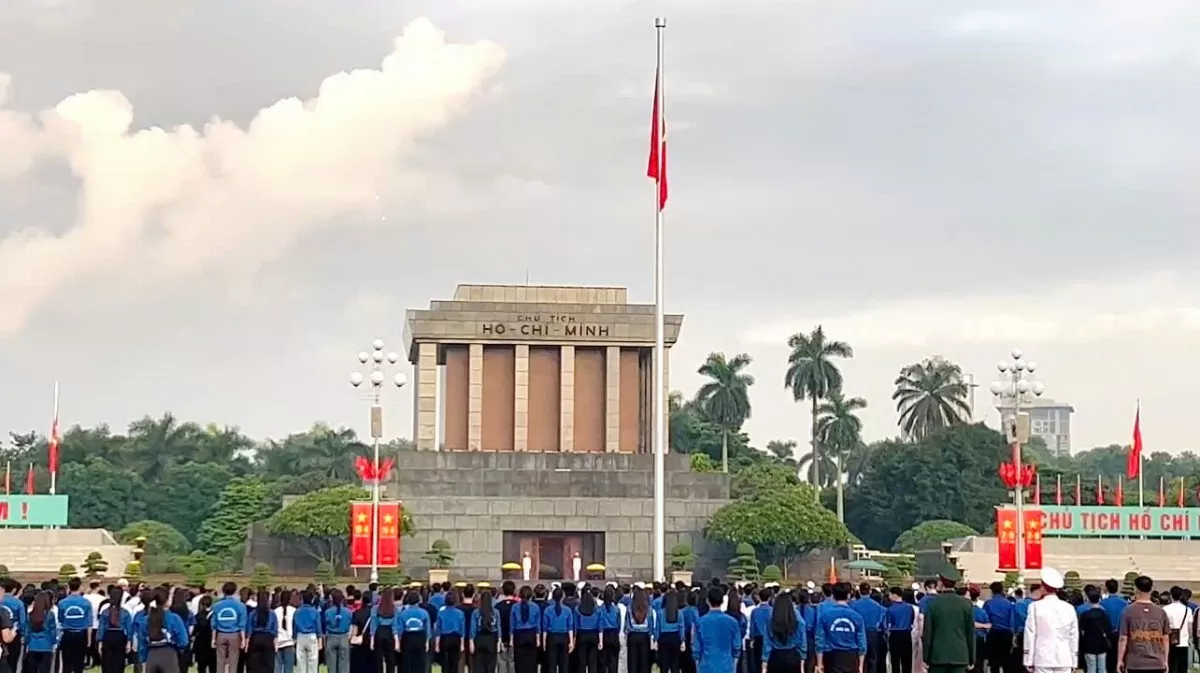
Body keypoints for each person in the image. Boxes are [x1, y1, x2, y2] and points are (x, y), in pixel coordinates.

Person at [1023, 568, 1079, 673]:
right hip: (1064, 658)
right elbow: (1073, 636)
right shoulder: (1069, 608)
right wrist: (1074, 660)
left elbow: (1030, 634)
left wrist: (1028, 659)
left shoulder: (1035, 607)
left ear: (1043, 587)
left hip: (1042, 657)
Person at [922, 567, 975, 673]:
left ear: (941, 583)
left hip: (937, 656)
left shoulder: (932, 604)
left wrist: (925, 657)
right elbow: (970, 633)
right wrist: (971, 658)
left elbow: (927, 632)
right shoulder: (966, 604)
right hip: (960, 656)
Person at [1117, 576, 1169, 673]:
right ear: (1151, 588)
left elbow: (1123, 638)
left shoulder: (1127, 611)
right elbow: (1165, 638)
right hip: (1157, 662)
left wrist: (1120, 660)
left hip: (1135, 663)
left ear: (1136, 589)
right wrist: (1165, 660)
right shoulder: (1161, 612)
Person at [815, 582, 866, 673]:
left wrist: (819, 663)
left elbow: (820, 640)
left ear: (833, 595)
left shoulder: (825, 615)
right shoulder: (857, 616)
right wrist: (860, 665)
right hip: (851, 656)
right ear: (849, 595)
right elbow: (862, 642)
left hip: (831, 656)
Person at [140, 589, 191, 673]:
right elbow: (183, 641)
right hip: (169, 654)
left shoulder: (145, 620)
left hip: (151, 654)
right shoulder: (174, 618)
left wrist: (143, 658)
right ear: (167, 600)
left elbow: (142, 642)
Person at [693, 587, 741, 673]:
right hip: (726, 666)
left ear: (707, 601)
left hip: (706, 666)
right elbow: (736, 648)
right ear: (722, 601)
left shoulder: (700, 622)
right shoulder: (732, 622)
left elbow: (697, 649)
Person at [761, 591, 805, 673]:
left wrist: (764, 665)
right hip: (793, 656)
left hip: (775, 657)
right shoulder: (797, 619)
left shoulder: (771, 620)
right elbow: (802, 643)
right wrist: (802, 664)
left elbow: (767, 644)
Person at [59, 577, 95, 673]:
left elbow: (60, 619)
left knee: (66, 663)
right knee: (79, 663)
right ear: (80, 587)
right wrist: (89, 639)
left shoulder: (62, 603)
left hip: (67, 634)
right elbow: (89, 623)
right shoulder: (86, 603)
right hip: (81, 634)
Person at [212, 583, 248, 673]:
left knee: (220, 661)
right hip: (234, 634)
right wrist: (243, 639)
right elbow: (242, 624)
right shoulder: (240, 605)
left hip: (220, 634)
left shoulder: (217, 605)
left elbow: (214, 624)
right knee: (233, 661)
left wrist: (213, 639)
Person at [99, 589, 135, 673]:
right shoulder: (125, 612)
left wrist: (100, 641)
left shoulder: (105, 612)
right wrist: (129, 641)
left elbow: (101, 627)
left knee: (107, 662)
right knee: (119, 661)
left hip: (108, 635)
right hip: (119, 636)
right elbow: (129, 628)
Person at [397, 591, 433, 673]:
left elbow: (400, 630)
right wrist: (427, 642)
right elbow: (427, 628)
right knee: (420, 662)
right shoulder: (424, 613)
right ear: (418, 600)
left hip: (407, 637)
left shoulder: (403, 613)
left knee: (407, 662)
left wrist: (398, 642)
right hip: (420, 637)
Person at [1079, 587, 1113, 673]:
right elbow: (1108, 630)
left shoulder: (1085, 615)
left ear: (1088, 599)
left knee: (1091, 668)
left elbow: (1082, 631)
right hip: (1102, 643)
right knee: (1102, 667)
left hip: (1089, 644)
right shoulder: (1105, 613)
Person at [24, 592, 59, 673]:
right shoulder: (50, 615)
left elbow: (27, 631)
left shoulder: (30, 615)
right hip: (46, 646)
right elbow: (53, 631)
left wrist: (27, 643)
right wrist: (54, 643)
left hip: (32, 645)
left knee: (32, 670)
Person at [245, 591, 279, 673]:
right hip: (268, 638)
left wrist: (246, 644)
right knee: (268, 664)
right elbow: (275, 630)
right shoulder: (272, 613)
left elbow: (249, 629)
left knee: (254, 664)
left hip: (255, 638)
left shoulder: (253, 613)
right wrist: (276, 643)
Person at [510, 587, 541, 673]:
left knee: (519, 662)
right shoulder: (535, 607)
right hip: (531, 634)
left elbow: (512, 624)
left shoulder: (515, 607)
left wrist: (511, 639)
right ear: (531, 595)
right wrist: (538, 639)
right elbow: (538, 625)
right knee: (531, 661)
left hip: (519, 635)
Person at [469, 590, 500, 673]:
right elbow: (498, 627)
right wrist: (499, 642)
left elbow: (473, 629)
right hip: (491, 639)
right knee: (490, 666)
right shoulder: (495, 612)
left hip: (479, 639)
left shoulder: (476, 612)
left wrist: (471, 641)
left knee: (479, 666)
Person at [324, 589, 354, 673]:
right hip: (344, 637)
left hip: (331, 637)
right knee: (344, 666)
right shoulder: (348, 612)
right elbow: (350, 624)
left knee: (331, 666)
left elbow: (326, 625)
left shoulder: (327, 612)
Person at [886, 587, 915, 673]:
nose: (889, 597)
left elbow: (888, 624)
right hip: (907, 635)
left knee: (895, 661)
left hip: (895, 635)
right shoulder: (909, 608)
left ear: (894, 595)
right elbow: (912, 620)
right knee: (907, 661)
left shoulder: (890, 609)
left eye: (890, 595)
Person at [625, 589, 655, 673]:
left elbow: (627, 625)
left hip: (632, 636)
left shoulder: (629, 608)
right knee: (644, 663)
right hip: (645, 636)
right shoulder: (648, 609)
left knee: (632, 663)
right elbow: (651, 625)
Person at [1162, 587, 1190, 673]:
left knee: (1170, 666)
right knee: (1182, 668)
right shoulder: (1187, 609)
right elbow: (1189, 626)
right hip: (1184, 641)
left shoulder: (1165, 609)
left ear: (1170, 595)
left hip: (1169, 641)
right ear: (1181, 596)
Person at [294, 590, 323, 673]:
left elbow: (295, 625)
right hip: (312, 636)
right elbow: (318, 627)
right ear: (312, 599)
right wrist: (320, 640)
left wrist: (294, 638)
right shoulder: (315, 611)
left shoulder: (298, 611)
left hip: (300, 636)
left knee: (300, 662)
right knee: (313, 662)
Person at [438, 591, 467, 673]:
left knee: (445, 663)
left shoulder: (441, 612)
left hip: (444, 638)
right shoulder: (460, 613)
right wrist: (462, 644)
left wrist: (437, 644)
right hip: (456, 638)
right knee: (454, 663)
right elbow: (462, 630)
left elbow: (438, 629)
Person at [275, 590, 299, 673]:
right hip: (290, 641)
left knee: (277, 667)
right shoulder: (294, 610)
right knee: (289, 668)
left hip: (278, 641)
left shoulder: (276, 611)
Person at [195, 596, 216, 673]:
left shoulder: (198, 616)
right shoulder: (215, 616)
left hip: (200, 643)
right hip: (212, 643)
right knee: (213, 667)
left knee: (201, 668)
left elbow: (194, 631)